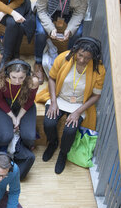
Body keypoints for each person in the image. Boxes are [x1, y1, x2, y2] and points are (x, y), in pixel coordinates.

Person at [36, 37, 105, 174]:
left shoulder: (99, 69)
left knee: (70, 130)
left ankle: (63, 153)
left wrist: (78, 112)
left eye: (87, 58)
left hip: (79, 104)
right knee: (49, 123)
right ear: (75, 51)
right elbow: (52, 78)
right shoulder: (64, 58)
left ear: (93, 57)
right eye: (80, 55)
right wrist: (54, 102)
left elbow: (96, 95)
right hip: (59, 98)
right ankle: (53, 142)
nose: (82, 60)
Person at [0, 59, 38, 180]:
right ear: (7, 73)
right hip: (3, 104)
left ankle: (18, 145)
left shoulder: (33, 81)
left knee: (30, 137)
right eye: (14, 77)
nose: (17, 81)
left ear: (26, 75)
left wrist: (19, 117)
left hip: (23, 105)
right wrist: (12, 116)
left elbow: (30, 101)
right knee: (6, 136)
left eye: (21, 77)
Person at [34, 0, 90, 84]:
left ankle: (69, 60)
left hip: (70, 12)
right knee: (41, 32)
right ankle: (38, 63)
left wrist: (70, 29)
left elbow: (80, 12)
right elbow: (41, 9)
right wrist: (50, 28)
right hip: (48, 11)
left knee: (77, 33)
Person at [0, 0, 35, 68]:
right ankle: (15, 55)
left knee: (12, 22)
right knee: (18, 25)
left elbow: (19, 0)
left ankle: (6, 57)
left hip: (19, 4)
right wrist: (12, 13)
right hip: (0, 4)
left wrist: (3, 13)